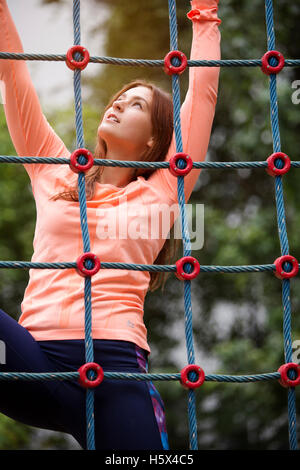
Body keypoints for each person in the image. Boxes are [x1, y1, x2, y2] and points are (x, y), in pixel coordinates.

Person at [0, 0, 221, 450]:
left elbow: (201, 95)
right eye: (119, 98)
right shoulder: (56, 172)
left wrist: (205, 12)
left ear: (156, 138)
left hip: (115, 372)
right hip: (33, 363)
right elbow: (13, 73)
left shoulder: (165, 189)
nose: (119, 104)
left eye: (135, 104)